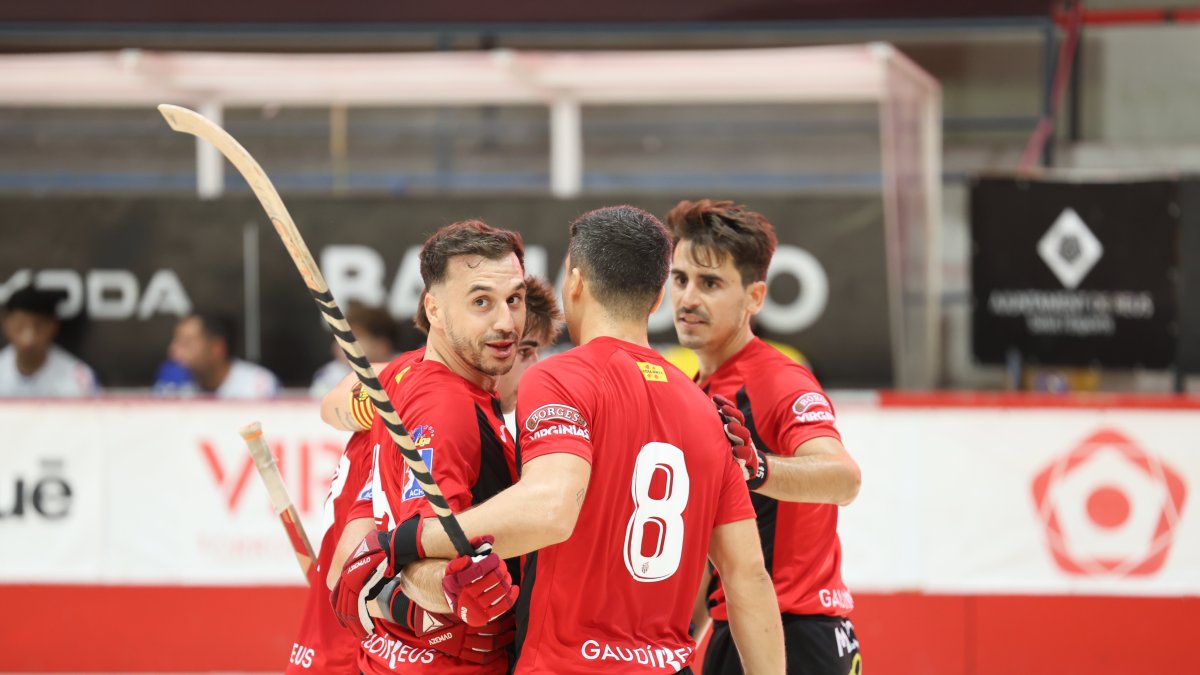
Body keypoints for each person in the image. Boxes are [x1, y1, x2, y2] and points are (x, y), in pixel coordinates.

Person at [345, 205, 785, 674]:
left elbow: (550, 510)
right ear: (658, 298)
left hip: (567, 664)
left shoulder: (559, 378)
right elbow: (749, 580)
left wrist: (407, 540)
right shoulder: (703, 406)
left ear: (573, 283)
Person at [665, 199, 862, 675]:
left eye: (710, 283)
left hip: (798, 636)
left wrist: (759, 469)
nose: (689, 298)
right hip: (733, 631)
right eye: (680, 278)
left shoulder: (778, 381)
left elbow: (843, 477)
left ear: (755, 297)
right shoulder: (696, 391)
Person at [325, 219, 528, 674]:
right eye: (481, 302)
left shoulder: (401, 373)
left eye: (514, 300)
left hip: (392, 659)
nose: (505, 322)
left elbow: (359, 560)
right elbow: (423, 556)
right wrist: (451, 595)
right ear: (433, 310)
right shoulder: (448, 407)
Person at [0, 287, 98, 397]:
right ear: (6, 323)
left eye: (39, 327)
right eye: (20, 326)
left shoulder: (78, 378)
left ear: (53, 326)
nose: (29, 338)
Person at [163, 313, 280, 398]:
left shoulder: (256, 383)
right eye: (175, 342)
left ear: (216, 348)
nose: (173, 350)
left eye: (186, 343)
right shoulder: (173, 383)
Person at [310, 303, 398, 398]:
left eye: (353, 338)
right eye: (339, 338)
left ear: (382, 346)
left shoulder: (406, 370)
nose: (342, 344)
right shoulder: (329, 375)